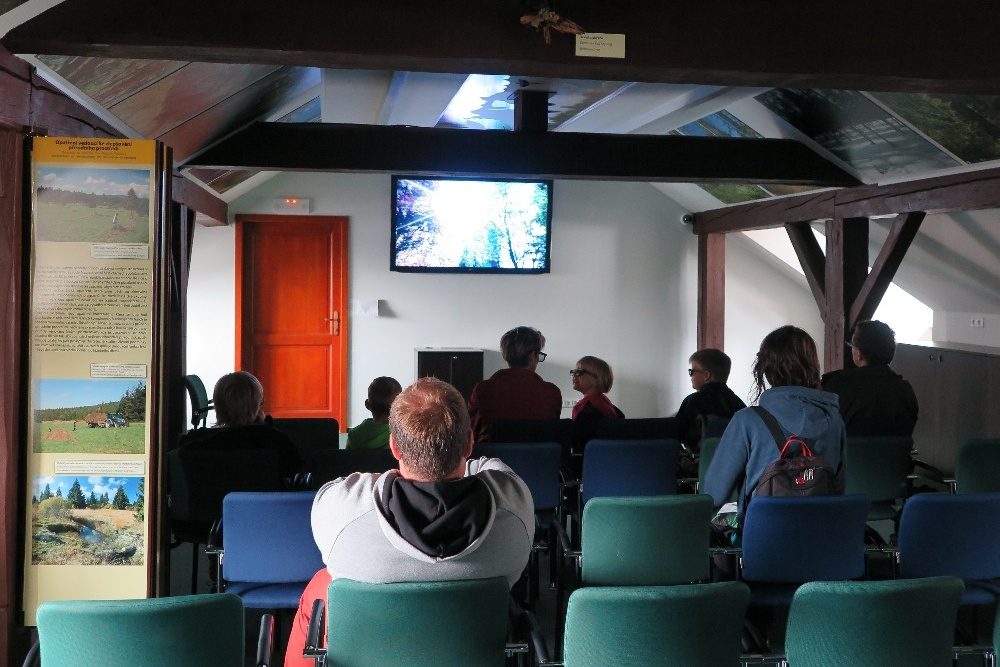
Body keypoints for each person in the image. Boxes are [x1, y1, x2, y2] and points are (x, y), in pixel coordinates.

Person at [285, 377, 534, 666]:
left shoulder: (345, 511)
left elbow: (335, 488)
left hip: (373, 645)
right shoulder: (513, 506)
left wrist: (388, 477)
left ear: (394, 447)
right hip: (468, 648)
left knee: (321, 583)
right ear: (469, 443)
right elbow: (493, 468)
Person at [704, 326, 846, 533]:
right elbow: (839, 488)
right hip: (819, 535)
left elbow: (714, 494)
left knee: (718, 527)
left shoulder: (747, 420)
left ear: (766, 368)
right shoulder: (834, 420)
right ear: (813, 364)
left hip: (762, 538)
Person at [174, 371, 302, 480]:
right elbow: (296, 474)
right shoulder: (276, 442)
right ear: (257, 404)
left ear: (218, 406)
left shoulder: (193, 444)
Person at [821, 320, 919, 437]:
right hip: (895, 450)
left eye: (852, 346)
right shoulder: (905, 390)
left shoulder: (836, 384)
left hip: (847, 449)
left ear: (859, 354)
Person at [467, 326, 562, 443]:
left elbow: (471, 431)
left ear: (505, 355)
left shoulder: (483, 390)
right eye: (539, 354)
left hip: (493, 454)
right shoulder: (552, 393)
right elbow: (551, 435)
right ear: (532, 356)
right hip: (540, 455)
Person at [674, 348, 746, 452]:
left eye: (692, 371)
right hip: (734, 456)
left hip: (702, 458)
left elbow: (678, 434)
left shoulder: (693, 400)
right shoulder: (738, 403)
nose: (690, 376)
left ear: (707, 375)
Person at [570, 355, 623, 446]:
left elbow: (578, 443)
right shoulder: (605, 403)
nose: (574, 375)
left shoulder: (585, 408)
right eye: (574, 371)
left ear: (597, 379)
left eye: (579, 372)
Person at [346, 376, 402, 449]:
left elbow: (346, 456)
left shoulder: (354, 435)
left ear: (367, 405)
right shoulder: (401, 434)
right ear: (399, 406)